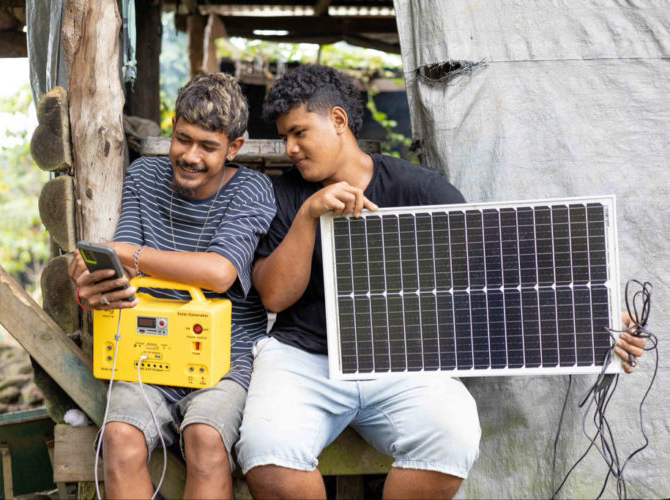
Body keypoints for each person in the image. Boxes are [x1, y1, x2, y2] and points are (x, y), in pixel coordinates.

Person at [234, 65, 647, 499]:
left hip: (401, 362)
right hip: (303, 358)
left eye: (298, 132)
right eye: (284, 137)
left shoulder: (421, 189)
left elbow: (499, 273)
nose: (290, 148)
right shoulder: (283, 193)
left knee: (452, 435)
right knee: (267, 451)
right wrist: (308, 215)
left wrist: (594, 316)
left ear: (337, 121)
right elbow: (276, 296)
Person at [69, 73, 275, 499]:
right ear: (173, 127)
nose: (190, 156)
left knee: (205, 436)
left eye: (208, 146)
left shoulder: (252, 189)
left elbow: (220, 272)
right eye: (183, 139)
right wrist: (95, 286)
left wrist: (130, 255)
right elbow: (120, 266)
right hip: (148, 351)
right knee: (120, 437)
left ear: (234, 148)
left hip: (225, 359)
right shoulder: (145, 176)